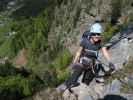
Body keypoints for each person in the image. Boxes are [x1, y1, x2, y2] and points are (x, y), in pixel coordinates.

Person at [56, 21, 115, 93]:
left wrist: (110, 62)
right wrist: (74, 62)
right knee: (75, 75)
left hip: (91, 64)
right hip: (82, 61)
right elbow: (79, 52)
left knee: (86, 81)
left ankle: (82, 90)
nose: (96, 36)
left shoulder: (100, 42)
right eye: (94, 34)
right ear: (91, 33)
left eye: (98, 34)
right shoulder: (85, 41)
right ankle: (64, 86)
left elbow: (105, 52)